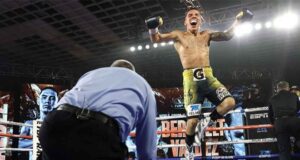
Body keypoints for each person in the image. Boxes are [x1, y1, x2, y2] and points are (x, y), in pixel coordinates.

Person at [145, 6, 253, 159]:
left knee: (229, 102)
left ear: (201, 20)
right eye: (190, 15)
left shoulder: (207, 34)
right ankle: (188, 150)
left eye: (196, 14)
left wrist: (238, 21)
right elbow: (156, 38)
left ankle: (208, 121)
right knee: (192, 121)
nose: (193, 16)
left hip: (209, 77)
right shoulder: (178, 35)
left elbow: (227, 35)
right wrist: (153, 27)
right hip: (191, 81)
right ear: (185, 21)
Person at [39, 59, 157, 160]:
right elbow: (147, 148)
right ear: (133, 73)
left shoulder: (91, 74)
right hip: (98, 136)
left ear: (111, 69)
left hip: (54, 123)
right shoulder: (143, 85)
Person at [19, 87, 58, 160]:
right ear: (38, 101)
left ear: (57, 103)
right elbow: (19, 145)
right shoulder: (29, 124)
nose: (47, 101)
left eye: (52, 98)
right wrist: (40, 142)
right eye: (44, 97)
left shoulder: (60, 126)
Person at [268, 81, 300, 160]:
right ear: (288, 88)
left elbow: (270, 114)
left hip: (280, 123)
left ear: (277, 89)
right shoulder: (294, 96)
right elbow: (298, 108)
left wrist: (274, 123)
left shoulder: (273, 98)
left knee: (284, 150)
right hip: (293, 120)